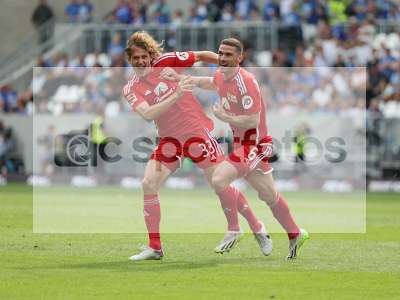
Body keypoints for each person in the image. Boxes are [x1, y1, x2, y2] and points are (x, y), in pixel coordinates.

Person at [123, 31, 272, 261]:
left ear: (151, 55)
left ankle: (257, 227)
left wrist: (230, 70)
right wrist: (176, 94)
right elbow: (147, 113)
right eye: (136, 59)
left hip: (195, 133)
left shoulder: (167, 62)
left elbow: (202, 55)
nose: (141, 62)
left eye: (144, 57)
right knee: (148, 184)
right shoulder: (131, 88)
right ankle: (155, 247)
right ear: (129, 60)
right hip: (169, 140)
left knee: (218, 183)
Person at [172, 38, 309, 259]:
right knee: (268, 195)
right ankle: (295, 233)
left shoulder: (245, 82)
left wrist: (226, 117)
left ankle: (234, 229)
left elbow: (253, 120)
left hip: (253, 144)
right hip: (242, 144)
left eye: (228, 55)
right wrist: (182, 78)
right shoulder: (223, 76)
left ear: (239, 58)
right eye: (220, 53)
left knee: (218, 180)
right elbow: (210, 82)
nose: (222, 58)